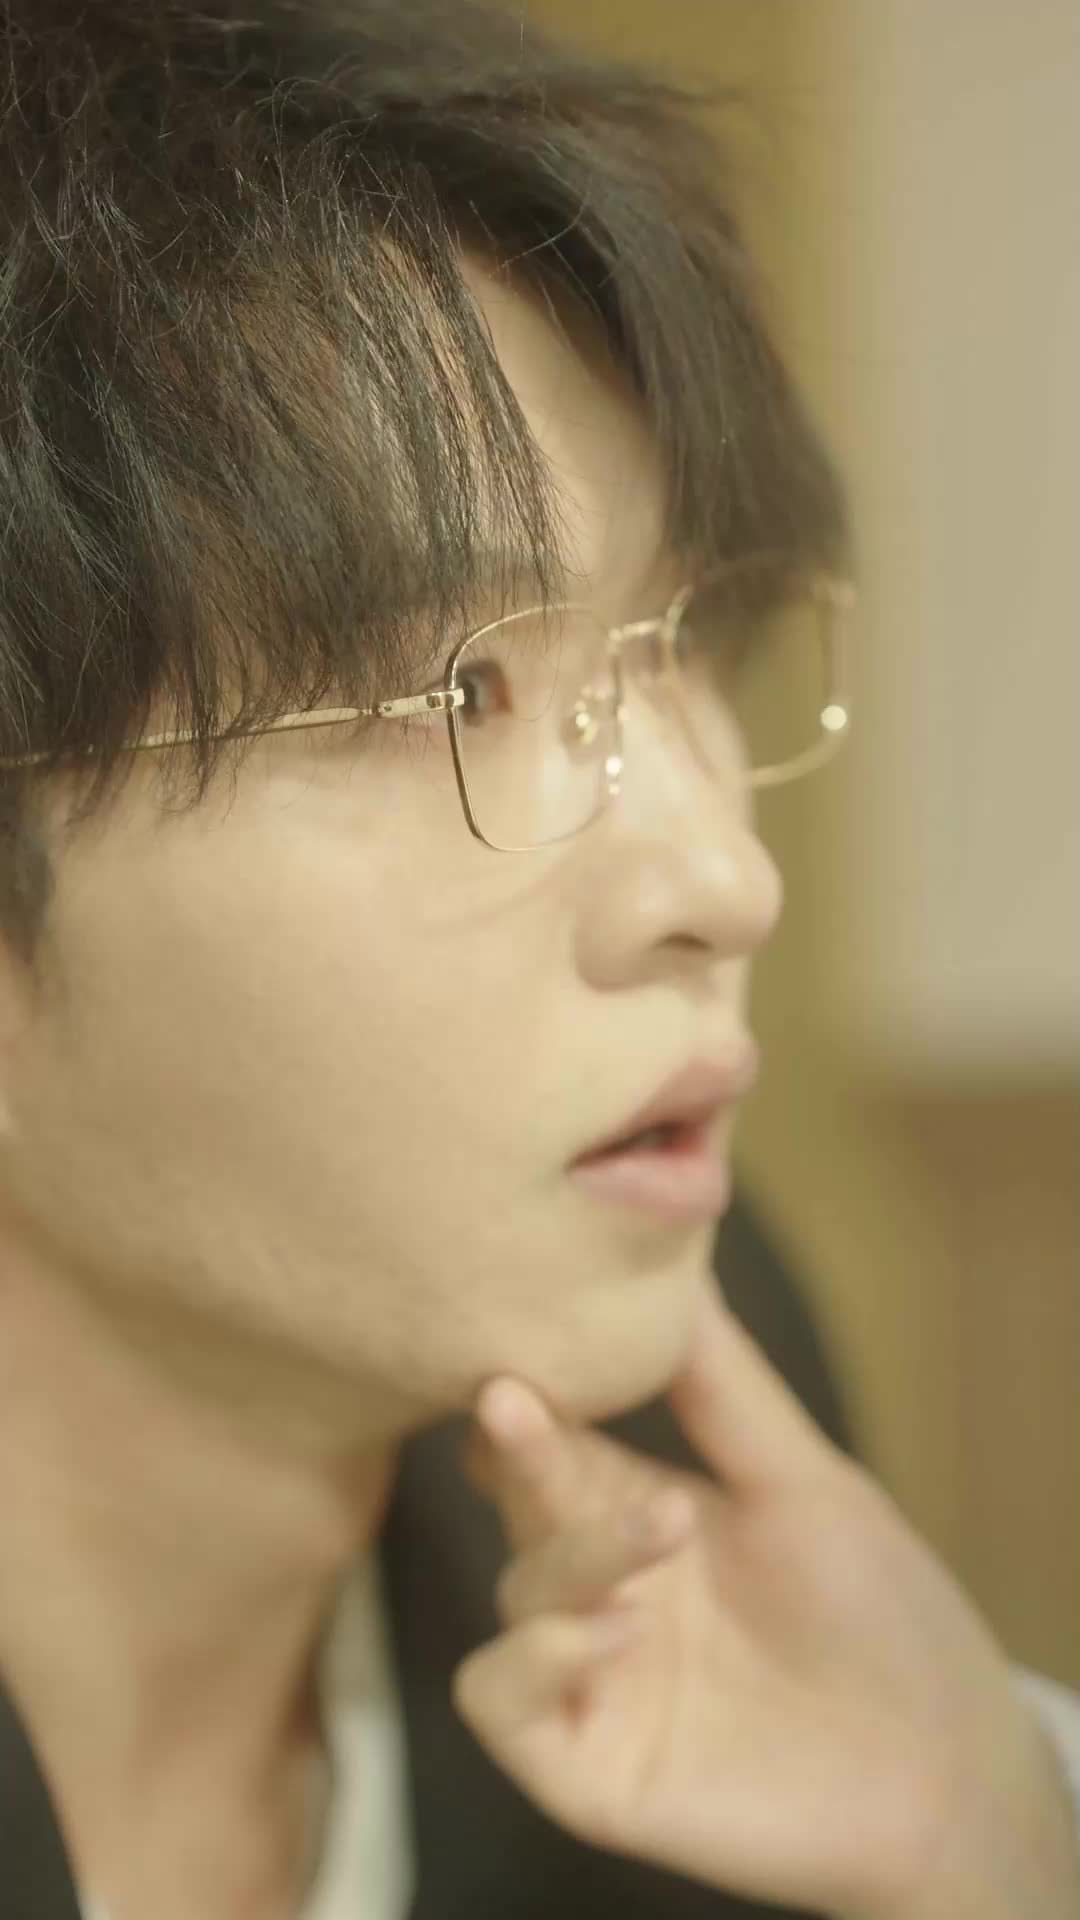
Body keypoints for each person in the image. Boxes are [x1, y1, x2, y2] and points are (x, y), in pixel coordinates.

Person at [0, 2, 1077, 1917]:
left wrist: (987, 1854)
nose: (723, 877)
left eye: (682, 641)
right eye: (461, 691)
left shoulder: (683, 1460)